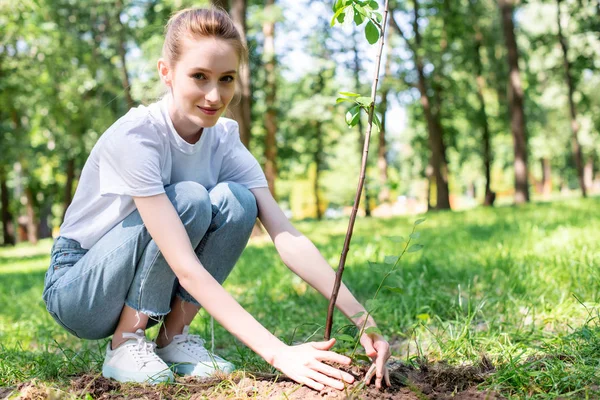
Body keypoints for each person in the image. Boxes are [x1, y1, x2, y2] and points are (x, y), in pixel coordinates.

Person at [42, 7, 391, 391]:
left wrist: (365, 321)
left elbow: (286, 235)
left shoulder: (224, 137)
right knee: (190, 198)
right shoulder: (138, 136)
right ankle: (126, 341)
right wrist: (278, 353)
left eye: (226, 79)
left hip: (135, 282)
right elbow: (185, 266)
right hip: (81, 289)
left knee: (239, 201)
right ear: (166, 72)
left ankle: (173, 338)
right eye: (199, 77)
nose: (214, 95)